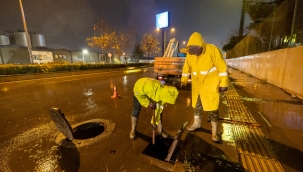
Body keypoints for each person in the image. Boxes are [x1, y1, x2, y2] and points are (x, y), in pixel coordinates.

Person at [180, 32, 229, 142]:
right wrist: (183, 80)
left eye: (195, 52)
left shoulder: (212, 50)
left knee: (212, 108)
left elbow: (222, 67)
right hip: (197, 85)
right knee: (197, 106)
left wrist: (223, 84)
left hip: (211, 84)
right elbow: (186, 66)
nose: (193, 55)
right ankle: (197, 124)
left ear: (200, 47)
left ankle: (215, 131)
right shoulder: (190, 54)